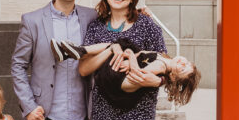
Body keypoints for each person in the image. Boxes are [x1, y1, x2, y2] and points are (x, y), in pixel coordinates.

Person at [52, 36, 201, 111]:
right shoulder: (163, 58)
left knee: (116, 45)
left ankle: (78, 51)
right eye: (187, 63)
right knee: (121, 46)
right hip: (117, 80)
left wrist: (130, 57)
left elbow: (136, 73)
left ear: (174, 77)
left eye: (183, 69)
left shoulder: (160, 66)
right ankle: (72, 53)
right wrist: (132, 54)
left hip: (116, 80)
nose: (183, 63)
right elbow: (142, 53)